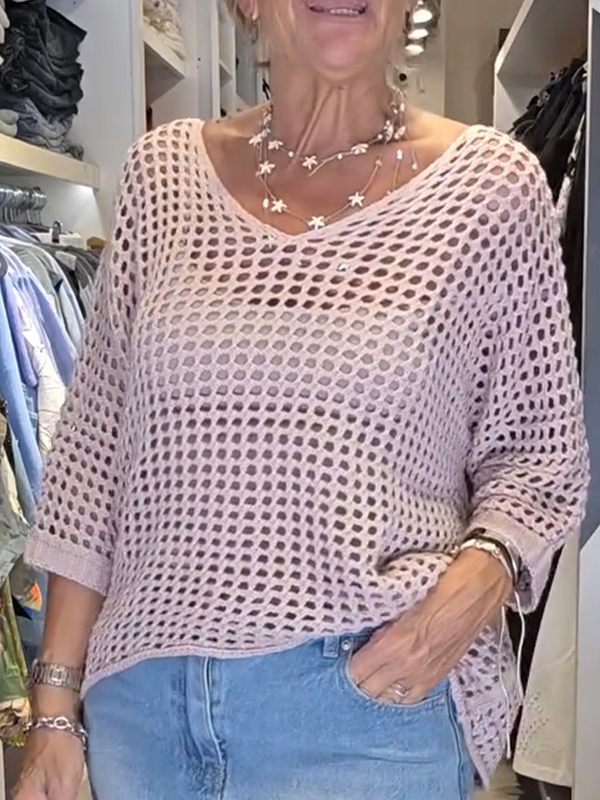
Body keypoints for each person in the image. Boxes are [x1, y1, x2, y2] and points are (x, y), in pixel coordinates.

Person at [15, 1, 589, 799]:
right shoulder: (162, 175)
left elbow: (541, 455)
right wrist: (53, 706)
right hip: (143, 711)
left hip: (366, 710)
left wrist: (466, 595)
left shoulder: (491, 187)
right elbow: (94, 455)